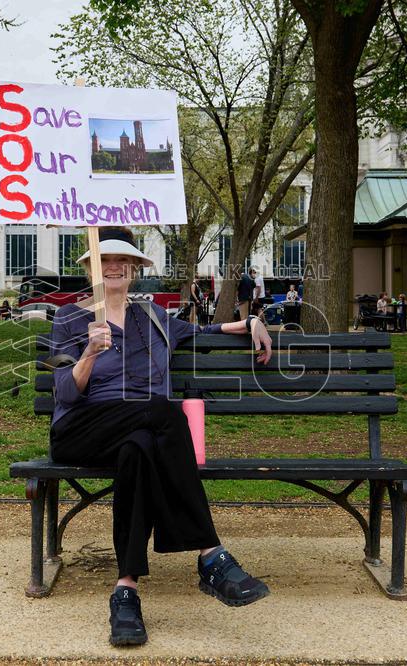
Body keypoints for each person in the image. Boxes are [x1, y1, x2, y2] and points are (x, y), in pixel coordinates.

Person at [49, 227, 271, 647]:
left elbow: (207, 332)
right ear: (90, 269)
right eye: (104, 260)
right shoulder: (70, 318)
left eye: (122, 261)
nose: (113, 267)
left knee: (140, 449)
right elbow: (63, 393)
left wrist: (253, 320)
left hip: (140, 433)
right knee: (163, 412)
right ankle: (209, 554)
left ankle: (126, 591)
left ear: (134, 269)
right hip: (82, 431)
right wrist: (89, 354)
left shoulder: (151, 317)